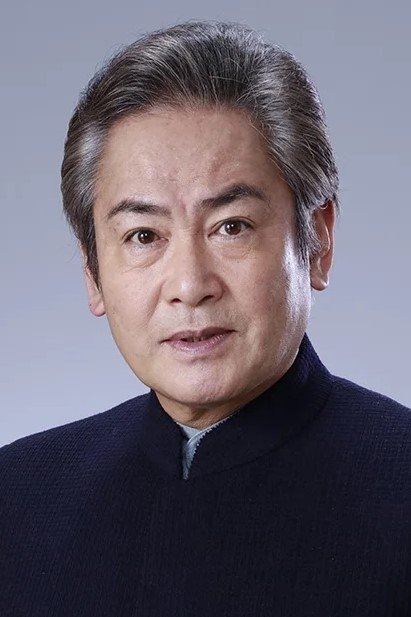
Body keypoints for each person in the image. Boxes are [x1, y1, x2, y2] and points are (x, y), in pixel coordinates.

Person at [0, 21, 410, 617]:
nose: (190, 286)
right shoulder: (17, 500)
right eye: (144, 235)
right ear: (92, 271)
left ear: (317, 242)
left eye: (231, 227)